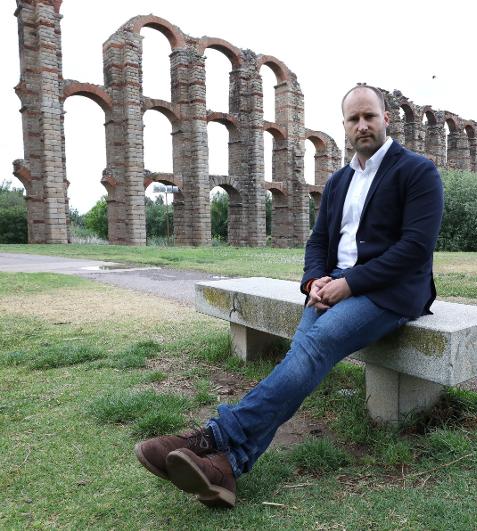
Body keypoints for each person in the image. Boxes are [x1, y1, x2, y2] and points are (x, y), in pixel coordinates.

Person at [134, 84, 444, 508]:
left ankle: (214, 438)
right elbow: (318, 243)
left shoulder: (416, 171)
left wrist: (348, 285)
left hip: (393, 292)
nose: (363, 125)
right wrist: (314, 281)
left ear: (385, 118)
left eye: (370, 116)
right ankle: (226, 468)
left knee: (311, 347)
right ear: (345, 127)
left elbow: (414, 250)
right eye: (354, 119)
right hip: (334, 285)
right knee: (304, 354)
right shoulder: (338, 182)